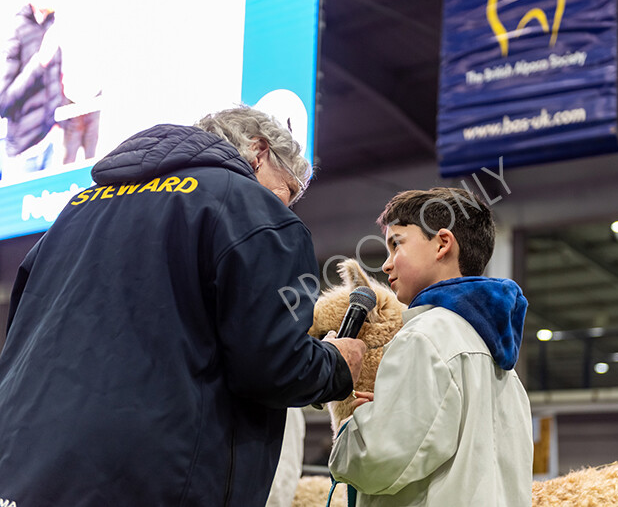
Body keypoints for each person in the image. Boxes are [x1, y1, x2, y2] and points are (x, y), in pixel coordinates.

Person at [0, 106, 366, 506]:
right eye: (289, 190)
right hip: (154, 478)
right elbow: (272, 366)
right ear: (259, 152)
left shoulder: (74, 212)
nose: (287, 206)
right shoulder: (252, 210)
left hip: (24, 468)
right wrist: (335, 364)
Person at [328, 187, 534, 506]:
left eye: (397, 244)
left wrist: (352, 429)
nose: (386, 265)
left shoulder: (424, 337)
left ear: (442, 244)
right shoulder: (500, 362)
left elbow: (376, 461)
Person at [0, 1, 64, 177]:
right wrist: (40, 62)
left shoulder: (52, 24)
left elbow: (55, 83)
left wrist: (58, 124)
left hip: (51, 144)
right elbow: (3, 102)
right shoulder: (15, 30)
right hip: (23, 155)